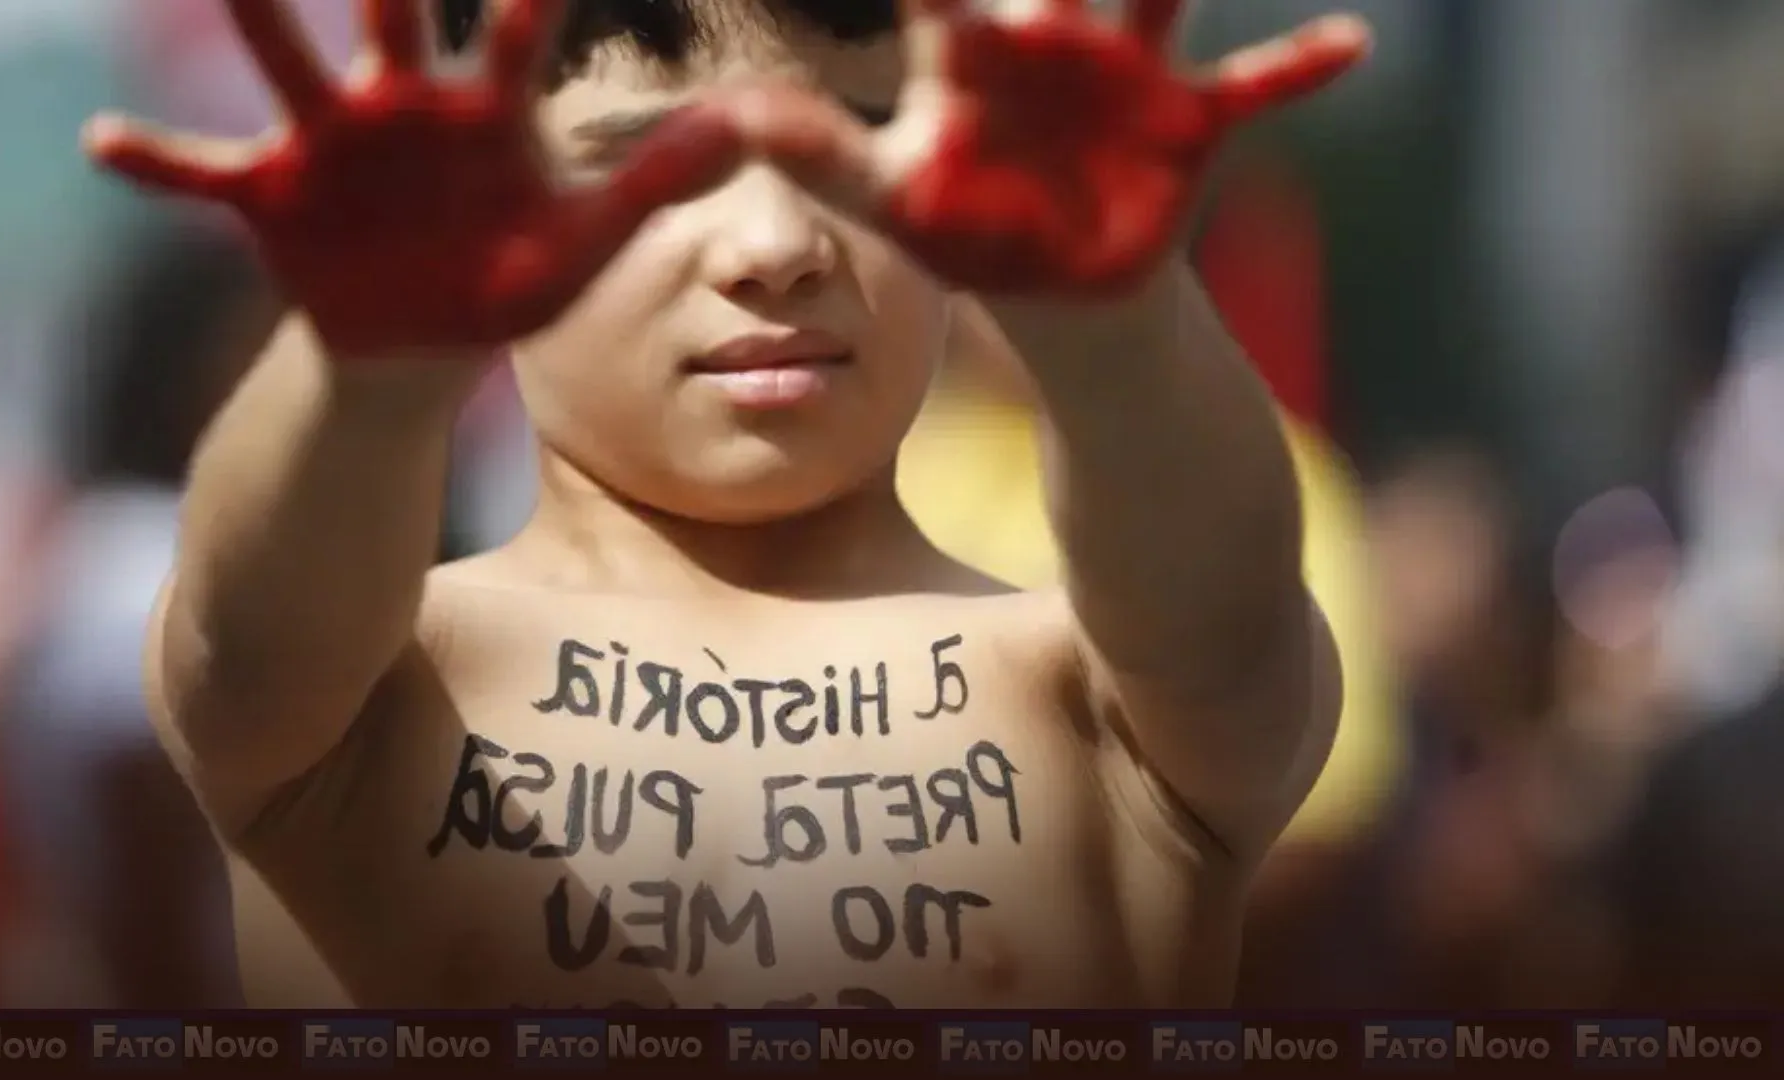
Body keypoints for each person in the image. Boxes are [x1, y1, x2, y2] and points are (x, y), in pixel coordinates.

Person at [83, 0, 1368, 1008]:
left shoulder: (1095, 700)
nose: (773, 245)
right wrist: (359, 361)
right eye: (647, 169)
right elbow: (243, 642)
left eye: (860, 146)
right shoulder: (383, 690)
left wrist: (1118, 324)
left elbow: (1225, 627)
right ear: (486, 199)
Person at [0, 223, 278, 1007]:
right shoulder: (144, 565)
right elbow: (150, 863)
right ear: (190, 372)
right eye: (269, 347)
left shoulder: (140, 547)